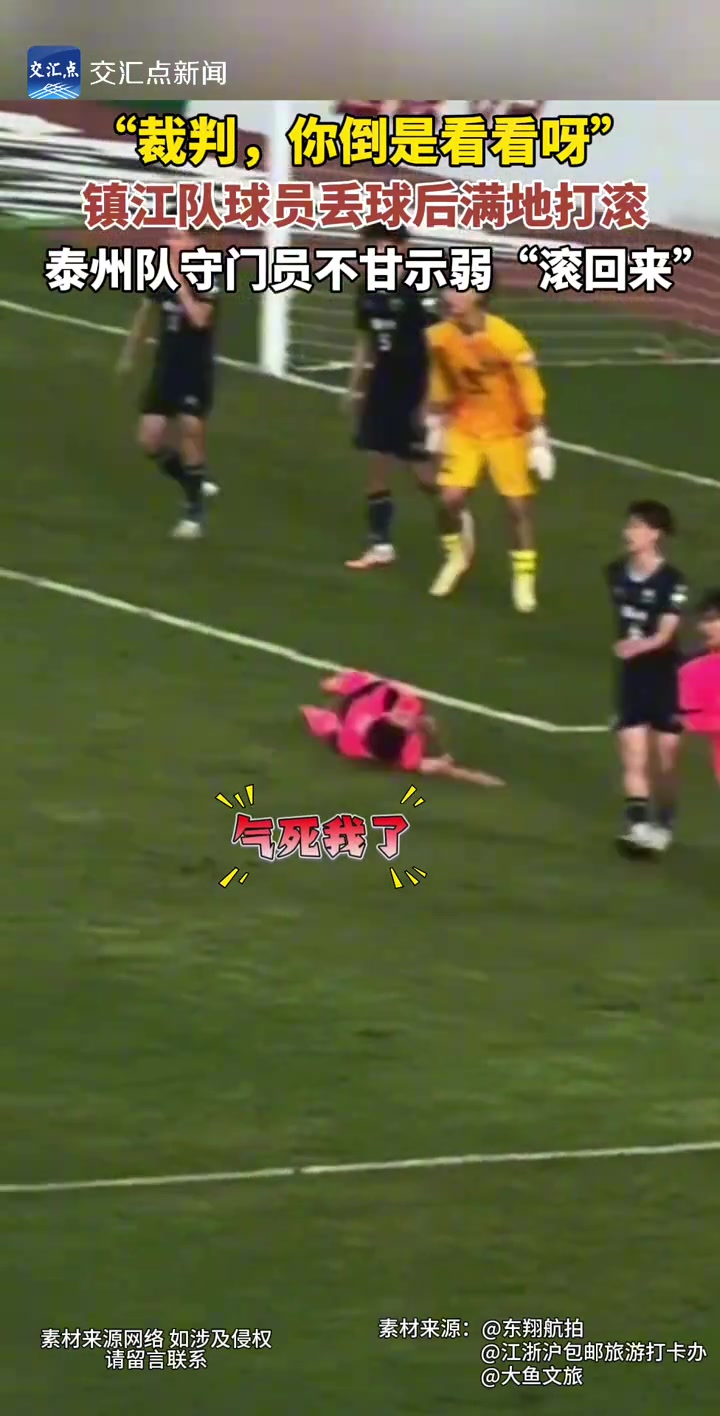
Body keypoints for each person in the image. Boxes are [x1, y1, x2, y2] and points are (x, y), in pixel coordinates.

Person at [424, 287, 555, 610]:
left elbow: (529, 388)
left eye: (459, 290)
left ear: (478, 296)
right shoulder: (439, 337)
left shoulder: (507, 339)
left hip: (508, 432)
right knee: (448, 499)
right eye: (448, 289)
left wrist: (538, 437)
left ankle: (523, 578)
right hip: (465, 428)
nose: (450, 297)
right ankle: (456, 556)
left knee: (517, 507)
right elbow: (442, 378)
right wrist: (436, 420)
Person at [345, 224, 438, 571]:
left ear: (402, 249)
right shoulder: (366, 289)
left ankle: (458, 519)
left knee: (424, 476)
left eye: (381, 248)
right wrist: (354, 386)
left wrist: (429, 401)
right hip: (382, 387)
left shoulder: (418, 288)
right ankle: (380, 544)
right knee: (377, 464)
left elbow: (438, 348)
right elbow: (365, 341)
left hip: (413, 388)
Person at [117, 230, 220, 541]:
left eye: (176, 237)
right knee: (149, 441)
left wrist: (179, 284)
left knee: (191, 429)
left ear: (194, 244)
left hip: (194, 370)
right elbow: (145, 313)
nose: (167, 242)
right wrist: (129, 353)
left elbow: (200, 319)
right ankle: (192, 480)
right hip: (166, 369)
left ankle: (193, 513)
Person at [607, 500, 688, 856]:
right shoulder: (614, 572)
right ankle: (638, 826)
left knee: (667, 762)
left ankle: (664, 823)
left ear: (655, 534)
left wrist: (636, 646)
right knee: (633, 754)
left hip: (666, 678)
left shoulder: (672, 580)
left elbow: (665, 634)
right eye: (629, 525)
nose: (629, 532)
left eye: (638, 526)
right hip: (632, 678)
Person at [301, 669, 504, 785]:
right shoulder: (409, 750)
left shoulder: (372, 709)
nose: (406, 717)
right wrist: (479, 778)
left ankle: (324, 698)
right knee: (322, 716)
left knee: (321, 707)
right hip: (348, 730)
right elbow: (445, 769)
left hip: (351, 729)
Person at [679, 589, 720, 782]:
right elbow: (693, 720)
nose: (704, 628)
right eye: (703, 621)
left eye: (712, 620)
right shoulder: (694, 671)